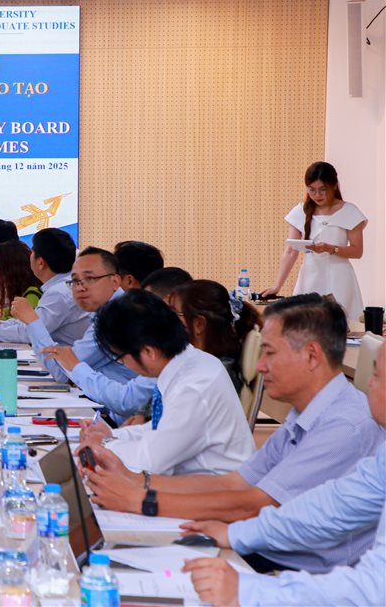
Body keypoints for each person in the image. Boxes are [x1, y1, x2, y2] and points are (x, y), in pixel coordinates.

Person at [85, 295, 381, 567]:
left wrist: (140, 499)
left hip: (295, 568)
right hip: (257, 543)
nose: (260, 367)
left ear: (312, 356)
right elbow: (235, 483)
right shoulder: (305, 412)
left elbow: (254, 506)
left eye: (269, 353)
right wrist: (136, 483)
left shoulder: (344, 426)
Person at [183, 339, 386, 606]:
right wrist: (236, 534)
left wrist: (245, 591)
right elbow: (332, 506)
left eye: (376, 375)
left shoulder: (348, 424)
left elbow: (375, 589)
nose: (368, 384)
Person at [78, 290, 255, 476]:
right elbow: (159, 431)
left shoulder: (194, 387)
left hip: (213, 487)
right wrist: (110, 435)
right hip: (194, 480)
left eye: (120, 357)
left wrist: (104, 444)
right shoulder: (189, 362)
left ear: (148, 352)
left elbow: (151, 462)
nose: (123, 363)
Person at [24, 247, 152, 424]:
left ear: (115, 281)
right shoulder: (108, 312)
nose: (80, 287)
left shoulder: (121, 316)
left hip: (120, 421)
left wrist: (32, 320)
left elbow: (62, 372)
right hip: (113, 417)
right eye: (75, 281)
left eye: (90, 279)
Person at [263, 161, 367, 321]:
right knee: (305, 323)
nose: (317, 195)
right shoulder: (300, 211)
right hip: (310, 276)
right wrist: (277, 286)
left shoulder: (350, 211)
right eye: (312, 190)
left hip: (340, 278)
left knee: (340, 324)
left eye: (323, 189)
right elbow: (290, 252)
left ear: (334, 186)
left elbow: (357, 251)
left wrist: (331, 248)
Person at [0, 227, 90, 345]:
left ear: (40, 263)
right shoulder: (62, 287)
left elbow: (30, 332)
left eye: (33, 252)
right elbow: (28, 323)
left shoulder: (58, 294)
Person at [172, 280, 263, 395]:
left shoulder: (211, 376)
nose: (167, 319)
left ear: (199, 324)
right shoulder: (208, 366)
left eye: (174, 314)